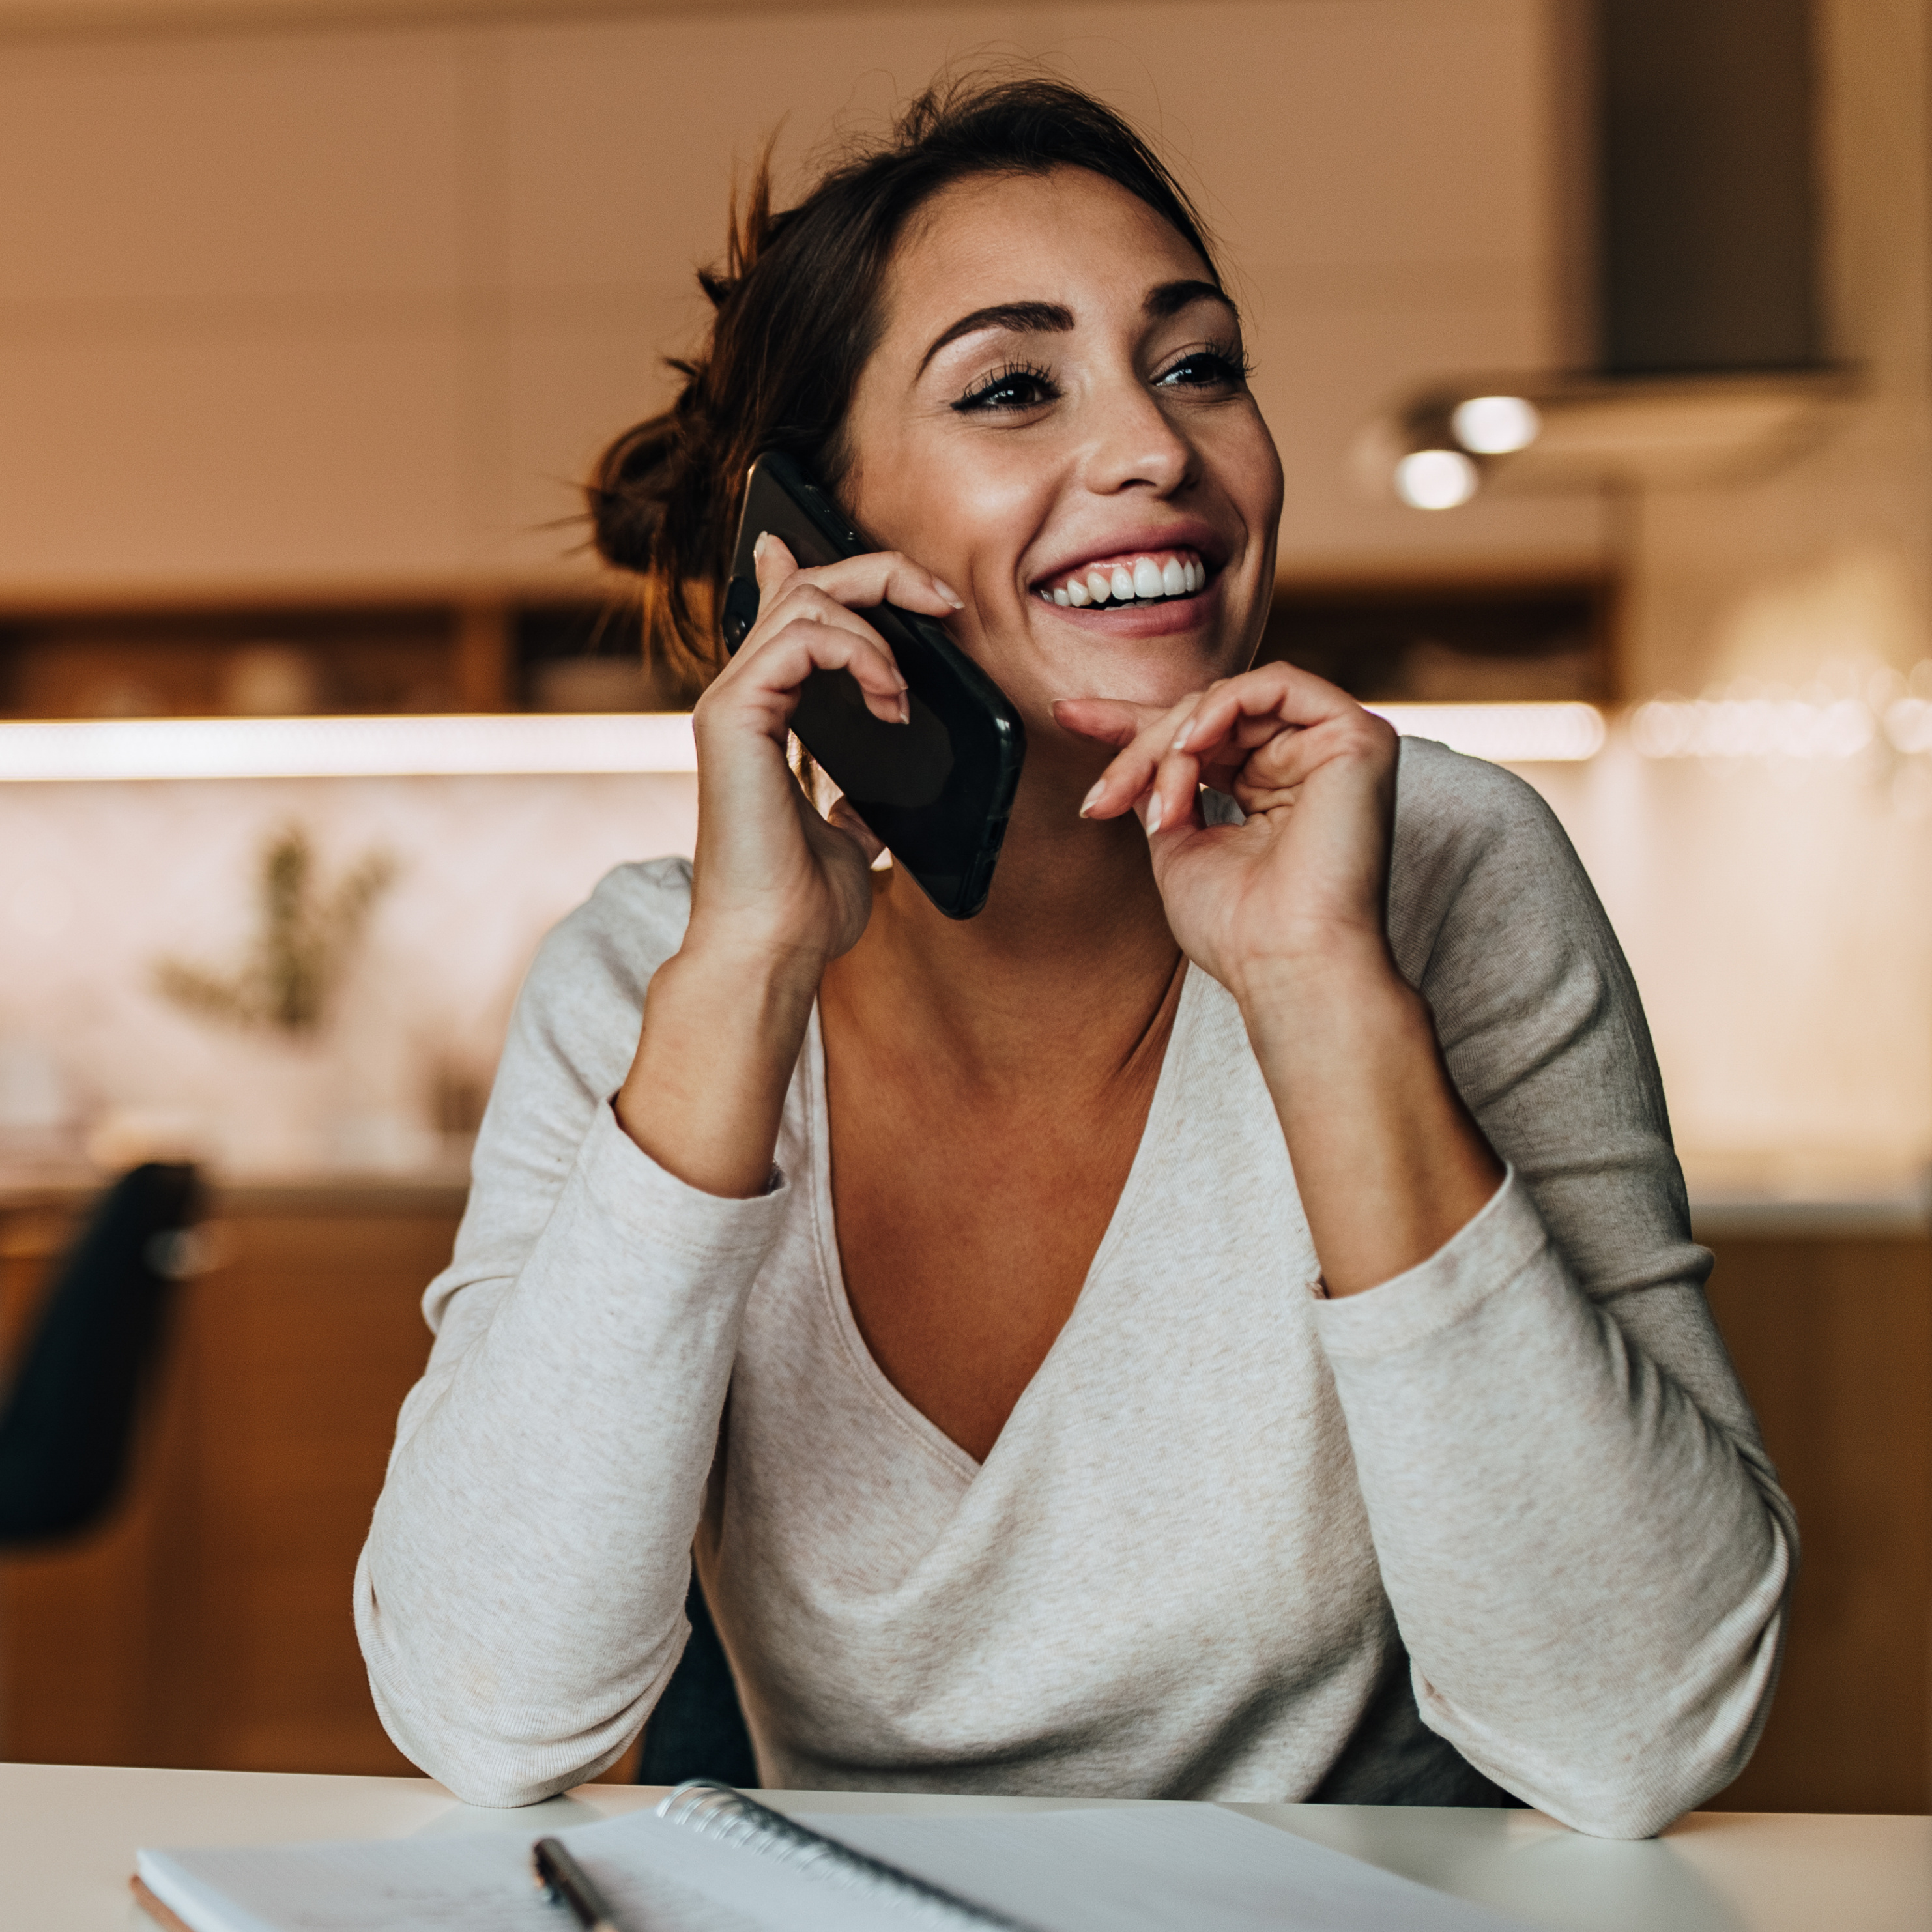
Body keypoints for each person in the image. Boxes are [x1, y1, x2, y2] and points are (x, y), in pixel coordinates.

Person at [354, 77, 1794, 1838]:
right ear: (810, 536)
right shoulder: (655, 976)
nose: (1157, 450)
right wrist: (741, 975)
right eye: (1014, 388)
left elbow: (1644, 1729)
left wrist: (1325, 998)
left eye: (1196, 364)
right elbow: (483, 1711)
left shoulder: (1441, 873)